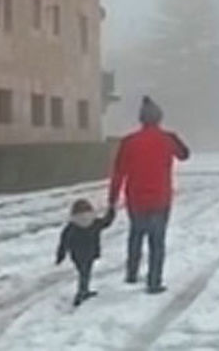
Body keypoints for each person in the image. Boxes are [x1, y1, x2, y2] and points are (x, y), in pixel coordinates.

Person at [107, 96, 190, 294]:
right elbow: (184, 155)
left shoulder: (129, 142)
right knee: (157, 241)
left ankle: (132, 273)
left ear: (141, 119)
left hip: (136, 199)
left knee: (136, 235)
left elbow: (118, 172)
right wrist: (174, 136)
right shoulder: (168, 140)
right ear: (159, 118)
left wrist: (112, 200)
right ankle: (154, 281)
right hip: (160, 199)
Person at [56, 199, 116, 306]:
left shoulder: (71, 227)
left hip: (77, 255)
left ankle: (83, 291)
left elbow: (63, 242)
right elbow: (107, 222)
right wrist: (111, 210)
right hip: (90, 253)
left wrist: (61, 256)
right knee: (86, 273)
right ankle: (82, 293)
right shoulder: (95, 223)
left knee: (83, 273)